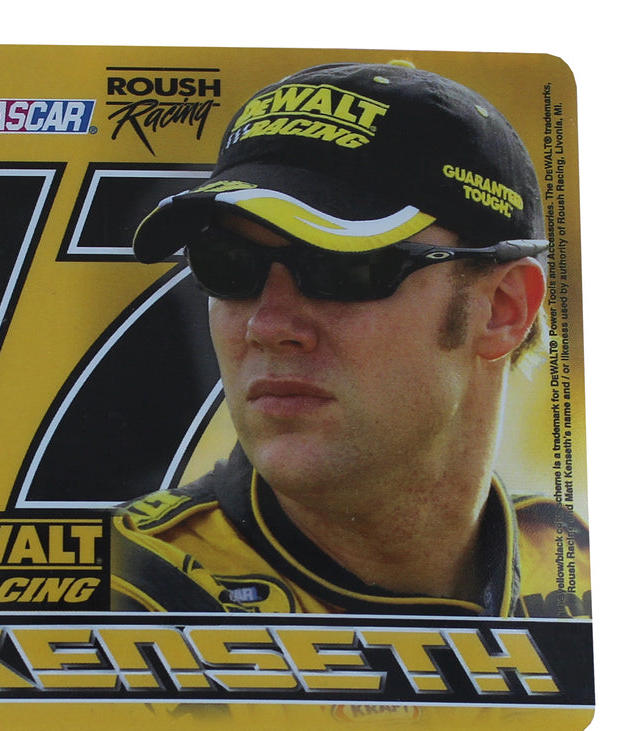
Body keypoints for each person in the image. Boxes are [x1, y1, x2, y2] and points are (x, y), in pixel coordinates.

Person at [110, 61, 589, 618]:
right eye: (227, 265)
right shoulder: (112, 594)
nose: (268, 326)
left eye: (342, 268)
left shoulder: (588, 583)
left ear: (503, 309)